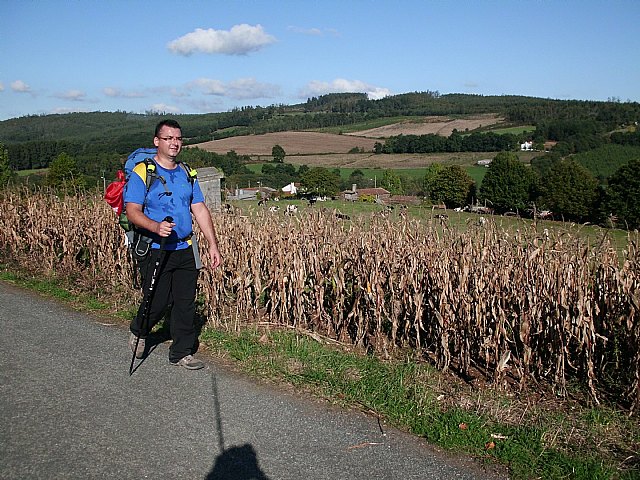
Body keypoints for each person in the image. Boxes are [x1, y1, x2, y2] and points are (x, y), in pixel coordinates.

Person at [124, 119, 222, 370]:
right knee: (157, 301)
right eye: (168, 138)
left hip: (185, 247)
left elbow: (198, 208)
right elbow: (132, 211)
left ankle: (181, 352)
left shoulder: (186, 173)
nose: (174, 143)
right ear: (157, 141)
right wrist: (156, 227)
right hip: (155, 248)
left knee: (185, 301)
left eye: (178, 138)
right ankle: (140, 329)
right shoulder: (142, 173)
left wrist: (212, 244)